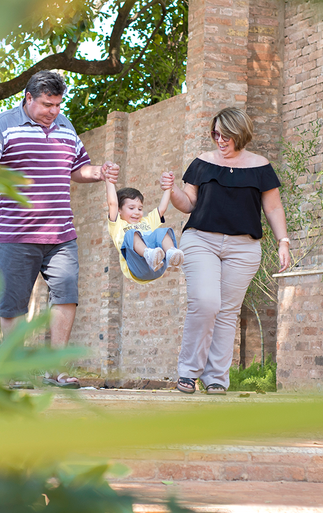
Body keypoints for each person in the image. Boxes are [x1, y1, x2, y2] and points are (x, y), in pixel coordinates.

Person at [0, 70, 119, 388]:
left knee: (66, 296)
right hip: (14, 234)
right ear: (28, 98)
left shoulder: (65, 126)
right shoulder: (2, 126)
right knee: (12, 304)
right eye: (48, 104)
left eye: (58, 104)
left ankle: (56, 369)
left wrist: (100, 172)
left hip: (61, 233)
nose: (54, 111)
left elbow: (79, 170)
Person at [164, 107, 291, 395]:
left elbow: (273, 208)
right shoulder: (202, 162)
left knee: (227, 312)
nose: (219, 140)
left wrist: (283, 241)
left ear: (240, 134)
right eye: (215, 134)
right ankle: (188, 372)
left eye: (226, 135)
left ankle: (216, 378)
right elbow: (189, 204)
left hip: (243, 247)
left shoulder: (260, 166)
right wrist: (172, 190)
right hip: (201, 240)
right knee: (206, 302)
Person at [105, 172, 184, 283]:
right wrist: (109, 180)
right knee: (131, 233)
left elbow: (161, 209)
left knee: (161, 232)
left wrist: (168, 188)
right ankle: (148, 254)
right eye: (131, 208)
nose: (136, 212)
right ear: (119, 210)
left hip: (157, 267)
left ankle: (171, 254)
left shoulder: (146, 221)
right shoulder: (118, 225)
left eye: (140, 209)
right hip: (137, 267)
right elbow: (112, 203)